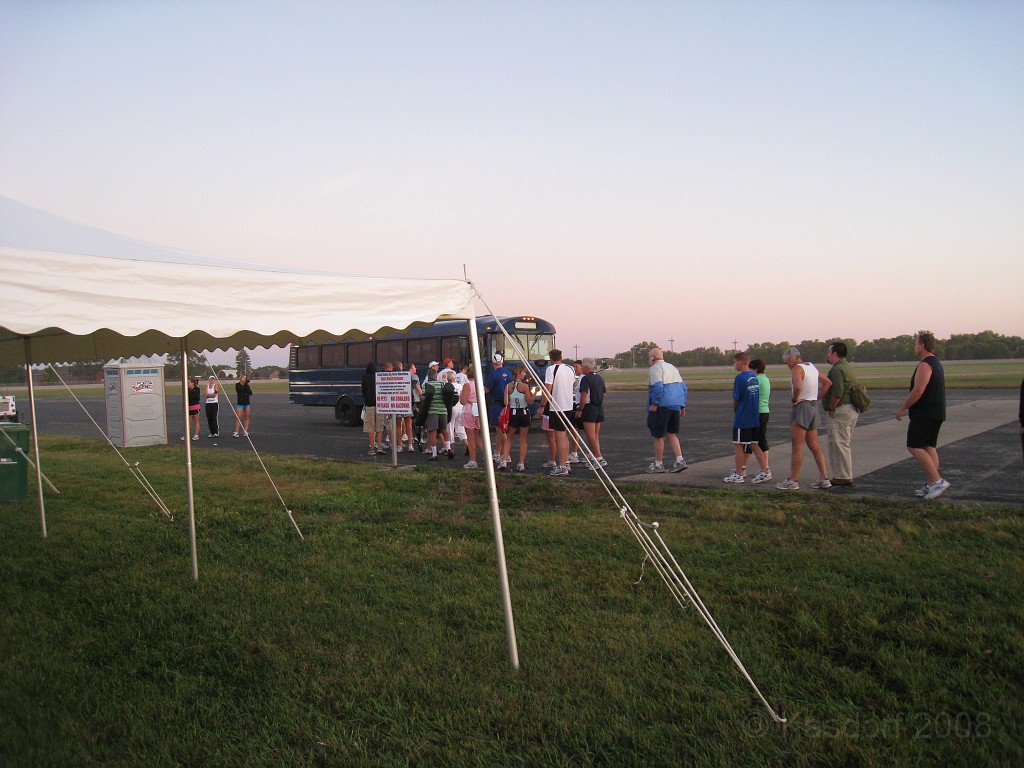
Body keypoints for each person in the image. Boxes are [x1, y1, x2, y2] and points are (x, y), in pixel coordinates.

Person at [896, 331, 949, 499]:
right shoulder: (936, 362)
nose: (915, 347)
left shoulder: (926, 365)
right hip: (935, 412)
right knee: (928, 447)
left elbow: (918, 391)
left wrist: (903, 408)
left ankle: (938, 481)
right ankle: (931, 484)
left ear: (922, 345)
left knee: (914, 445)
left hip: (925, 413)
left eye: (916, 343)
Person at [776, 347, 831, 490]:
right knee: (814, 445)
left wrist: (795, 399)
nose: (787, 365)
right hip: (813, 407)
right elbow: (828, 383)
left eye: (787, 361)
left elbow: (798, 386)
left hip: (802, 407)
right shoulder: (811, 367)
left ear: (793, 358)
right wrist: (816, 398)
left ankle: (793, 480)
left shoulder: (797, 369)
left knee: (797, 446)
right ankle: (824, 478)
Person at [724, 352, 769, 483]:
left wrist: (736, 412)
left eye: (735, 362)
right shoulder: (754, 377)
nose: (734, 364)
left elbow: (736, 399)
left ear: (741, 362)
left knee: (738, 444)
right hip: (754, 416)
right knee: (754, 444)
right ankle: (765, 470)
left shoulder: (740, 378)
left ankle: (738, 474)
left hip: (743, 417)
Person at [646, 348, 688, 473]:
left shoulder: (655, 369)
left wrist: (654, 403)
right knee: (671, 433)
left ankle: (658, 464)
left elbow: (658, 387)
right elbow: (683, 387)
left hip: (662, 406)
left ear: (653, 358)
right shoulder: (672, 368)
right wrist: (682, 404)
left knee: (658, 435)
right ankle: (680, 460)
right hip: (675, 405)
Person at [823, 342, 859, 486]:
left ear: (835, 354)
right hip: (851, 409)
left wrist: (831, 407)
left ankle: (843, 476)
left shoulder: (837, 369)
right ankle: (842, 474)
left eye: (829, 352)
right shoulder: (848, 367)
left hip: (841, 410)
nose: (827, 355)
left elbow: (837, 392)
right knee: (843, 442)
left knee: (838, 443)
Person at [540, 349, 575, 476]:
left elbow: (547, 389)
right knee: (564, 435)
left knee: (559, 436)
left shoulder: (551, 369)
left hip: (557, 406)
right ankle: (565, 462)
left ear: (551, 359)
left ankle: (562, 466)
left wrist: (542, 405)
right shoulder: (570, 368)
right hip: (569, 406)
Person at [500, 364, 535, 472]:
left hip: (513, 412)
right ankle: (520, 463)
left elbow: (506, 402)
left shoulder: (508, 386)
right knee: (523, 439)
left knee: (509, 438)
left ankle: (504, 460)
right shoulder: (524, 386)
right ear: (519, 373)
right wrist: (534, 392)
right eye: (523, 372)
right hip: (523, 412)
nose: (525, 374)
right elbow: (530, 401)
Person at [576, 357, 607, 468]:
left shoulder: (586, 379)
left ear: (586, 367)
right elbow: (604, 393)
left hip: (589, 408)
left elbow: (584, 395)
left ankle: (599, 458)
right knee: (595, 435)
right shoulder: (599, 378)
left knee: (590, 436)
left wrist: (580, 409)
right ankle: (595, 457)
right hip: (599, 408)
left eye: (583, 366)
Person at [484, 353, 513, 462]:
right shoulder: (509, 373)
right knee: (500, 430)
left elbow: (486, 389)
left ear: (493, 363)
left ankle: (506, 454)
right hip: (507, 403)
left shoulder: (493, 375)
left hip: (496, 403)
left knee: (500, 430)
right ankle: (497, 453)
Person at [421, 368, 455, 460]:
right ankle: (448, 448)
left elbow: (424, 398)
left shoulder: (427, 385)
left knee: (432, 432)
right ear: (436, 376)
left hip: (432, 411)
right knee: (444, 430)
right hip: (443, 411)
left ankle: (434, 454)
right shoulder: (442, 384)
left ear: (428, 376)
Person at [749, 359, 772, 483]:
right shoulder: (765, 378)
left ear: (756, 370)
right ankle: (765, 467)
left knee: (755, 441)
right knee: (762, 440)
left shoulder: (757, 380)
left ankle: (765, 470)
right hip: (765, 411)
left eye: (751, 369)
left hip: (758, 412)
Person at [459, 368, 485, 468]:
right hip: (479, 410)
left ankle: (473, 460)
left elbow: (463, 401)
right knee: (477, 436)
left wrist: (462, 395)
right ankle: (487, 455)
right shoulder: (480, 385)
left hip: (469, 410)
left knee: (470, 438)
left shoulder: (467, 385)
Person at [361, 362, 385, 455]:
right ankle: (379, 446)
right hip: (380, 405)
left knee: (371, 428)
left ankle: (372, 448)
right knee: (379, 427)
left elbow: (363, 390)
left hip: (370, 405)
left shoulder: (365, 377)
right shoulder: (378, 377)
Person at [180, 377, 201, 441]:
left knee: (196, 422)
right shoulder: (187, 390)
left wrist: (191, 395)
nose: (188, 383)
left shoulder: (197, 389)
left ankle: (196, 435)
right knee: (189, 422)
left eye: (189, 382)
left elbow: (196, 397)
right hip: (189, 407)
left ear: (193, 383)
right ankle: (187, 435)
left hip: (195, 407)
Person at [233, 373, 252, 438]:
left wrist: (246, 385)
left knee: (247, 417)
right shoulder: (237, 385)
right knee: (238, 417)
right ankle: (236, 432)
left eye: (245, 378)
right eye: (243, 377)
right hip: (240, 403)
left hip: (247, 402)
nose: (244, 379)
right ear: (240, 378)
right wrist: (245, 385)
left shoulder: (247, 386)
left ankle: (245, 431)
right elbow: (240, 390)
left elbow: (250, 392)